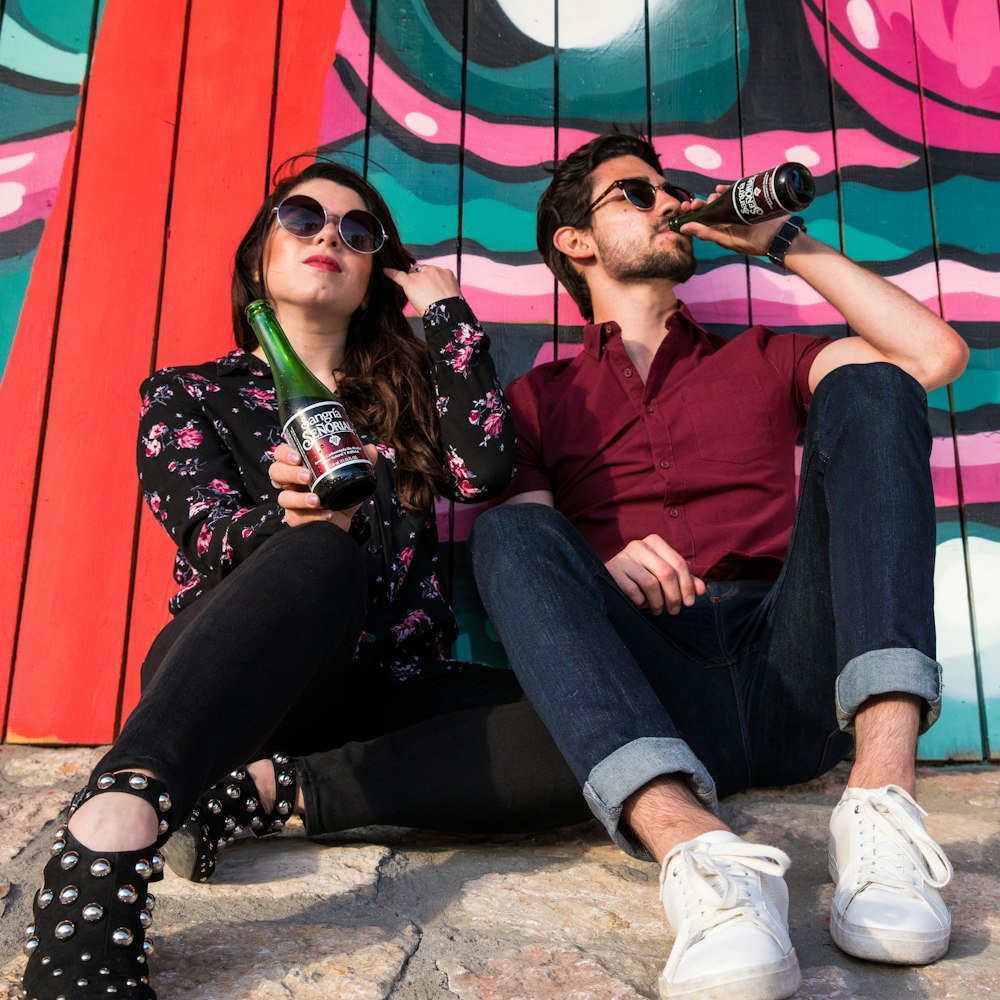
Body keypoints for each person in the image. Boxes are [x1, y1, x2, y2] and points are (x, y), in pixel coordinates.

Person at [18, 159, 586, 1000]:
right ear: (258, 258)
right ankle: (108, 837)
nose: (332, 235)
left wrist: (446, 316)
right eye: (304, 216)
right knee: (324, 551)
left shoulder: (408, 401)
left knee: (590, 727)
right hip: (244, 676)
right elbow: (206, 530)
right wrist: (292, 526)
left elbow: (488, 467)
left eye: (360, 232)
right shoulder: (190, 392)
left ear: (374, 275)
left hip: (388, 686)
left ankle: (262, 794)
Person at [469, 131, 968, 1000]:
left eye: (670, 189)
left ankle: (883, 809)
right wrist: (604, 560)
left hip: (792, 663)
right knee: (506, 535)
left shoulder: (765, 355)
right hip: (653, 692)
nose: (669, 202)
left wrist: (784, 243)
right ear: (575, 241)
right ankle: (700, 859)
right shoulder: (536, 398)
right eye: (637, 193)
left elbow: (932, 359)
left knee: (878, 384)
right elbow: (532, 556)